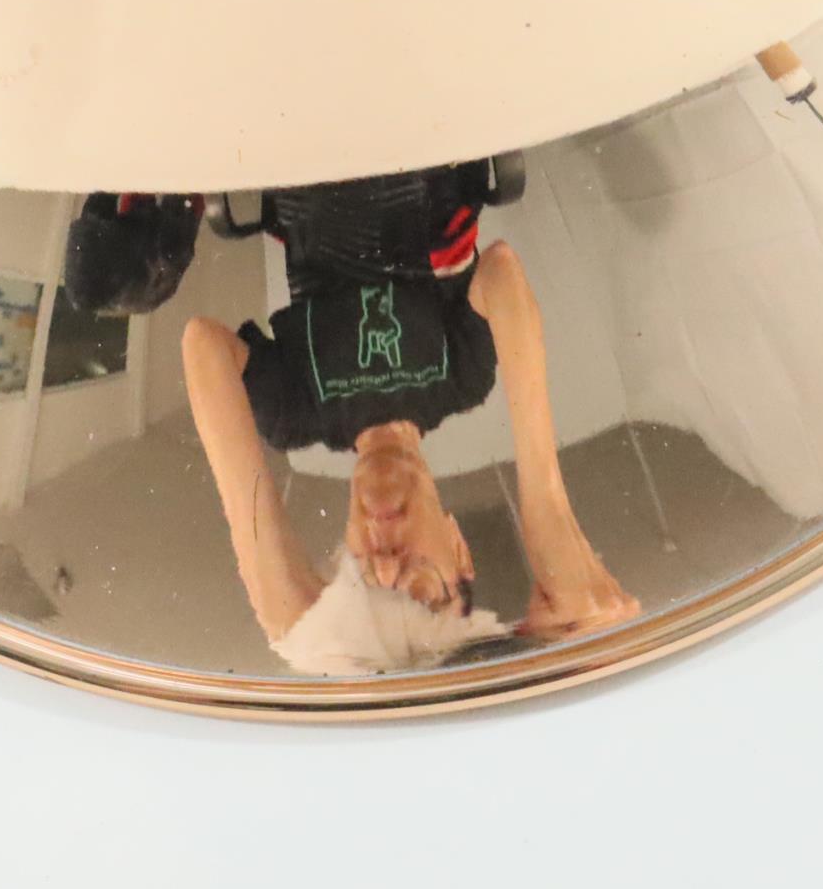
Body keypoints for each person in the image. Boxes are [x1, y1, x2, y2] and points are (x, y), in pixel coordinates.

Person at [179, 167, 637, 673]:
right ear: (459, 550)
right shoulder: (464, 379)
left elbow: (203, 345)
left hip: (304, 162)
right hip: (421, 152)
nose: (386, 562)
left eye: (366, 584)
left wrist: (270, 582)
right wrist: (548, 513)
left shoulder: (295, 413)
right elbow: (501, 272)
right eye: (419, 594)